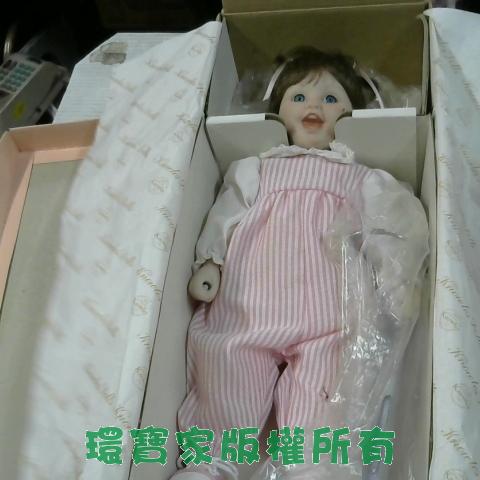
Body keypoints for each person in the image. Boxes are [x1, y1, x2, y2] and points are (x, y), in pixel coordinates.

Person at [171, 47, 429, 480]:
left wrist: (396, 283)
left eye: (330, 98)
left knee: (325, 394)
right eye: (299, 97)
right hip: (248, 307)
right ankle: (209, 464)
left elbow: (392, 231)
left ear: (350, 113)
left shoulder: (362, 178)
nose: (314, 106)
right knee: (227, 370)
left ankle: (313, 468)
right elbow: (225, 214)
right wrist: (211, 261)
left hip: (327, 318)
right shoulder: (255, 170)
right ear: (278, 111)